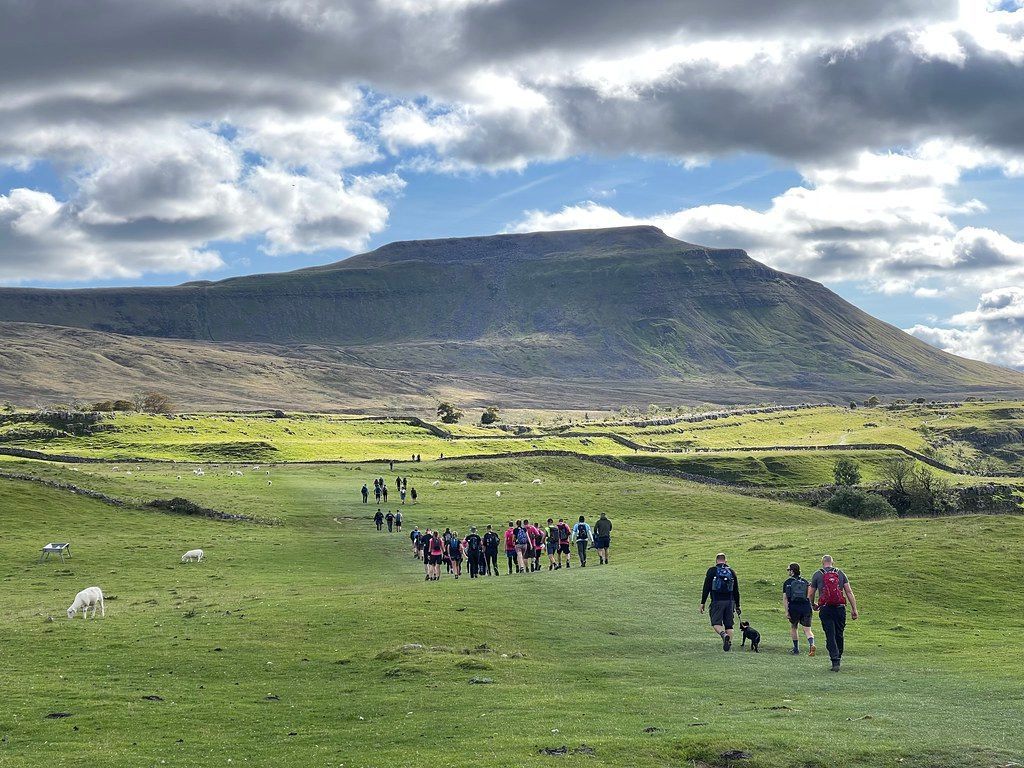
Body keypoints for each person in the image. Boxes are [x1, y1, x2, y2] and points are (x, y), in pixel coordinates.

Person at [809, 555, 858, 672]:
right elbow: (849, 592)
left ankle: (834, 660)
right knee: (839, 634)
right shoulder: (841, 573)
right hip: (840, 608)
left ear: (822, 562)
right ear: (832, 562)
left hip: (826, 609)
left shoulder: (817, 574)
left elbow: (810, 593)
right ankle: (839, 656)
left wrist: (813, 604)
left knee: (830, 634)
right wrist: (854, 609)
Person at [700, 553, 741, 651]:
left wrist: (703, 602)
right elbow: (736, 590)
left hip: (717, 601)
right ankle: (728, 647)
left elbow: (706, 587)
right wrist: (738, 605)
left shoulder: (712, 571)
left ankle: (723, 634)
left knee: (716, 623)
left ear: (716, 561)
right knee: (729, 625)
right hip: (730, 602)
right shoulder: (731, 571)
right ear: (725, 561)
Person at [782, 562, 816, 656]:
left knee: (794, 627)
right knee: (807, 630)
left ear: (792, 571)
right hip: (806, 607)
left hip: (794, 608)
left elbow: (785, 599)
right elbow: (810, 595)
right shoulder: (805, 582)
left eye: (788, 570)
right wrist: (812, 604)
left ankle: (796, 649)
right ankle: (812, 644)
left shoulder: (787, 582)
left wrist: (787, 611)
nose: (788, 571)